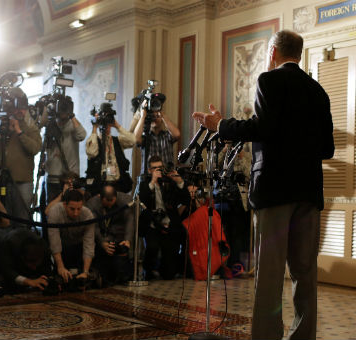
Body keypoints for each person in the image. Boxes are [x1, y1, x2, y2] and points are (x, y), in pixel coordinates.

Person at [193, 30, 334, 339]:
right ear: (299, 52)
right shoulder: (318, 91)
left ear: (272, 52)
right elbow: (328, 150)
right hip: (309, 192)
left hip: (274, 191)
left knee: (269, 276)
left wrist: (220, 125)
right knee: (305, 273)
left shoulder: (269, 81)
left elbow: (262, 128)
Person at [0, 87, 42, 232]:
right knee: (1, 219)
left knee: (22, 220)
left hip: (22, 181)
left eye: (24, 109)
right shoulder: (0, 124)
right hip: (1, 179)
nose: (22, 112)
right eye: (18, 109)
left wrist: (19, 132)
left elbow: (35, 149)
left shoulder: (30, 127)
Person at [139, 155, 190, 280]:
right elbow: (143, 199)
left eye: (160, 168)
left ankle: (165, 269)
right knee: (152, 247)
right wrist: (153, 182)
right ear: (149, 170)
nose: (158, 171)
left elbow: (186, 199)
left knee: (169, 273)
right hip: (152, 225)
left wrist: (179, 182)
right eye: (155, 168)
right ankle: (148, 270)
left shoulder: (169, 183)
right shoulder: (145, 184)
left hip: (169, 225)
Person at [40, 95, 87, 205]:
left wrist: (71, 115)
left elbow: (82, 135)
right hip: (52, 176)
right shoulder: (50, 125)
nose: (63, 111)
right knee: (51, 208)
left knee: (70, 206)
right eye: (61, 107)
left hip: (70, 177)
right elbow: (43, 145)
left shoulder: (73, 125)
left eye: (66, 107)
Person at [86, 184, 134, 286]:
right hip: (100, 236)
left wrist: (127, 240)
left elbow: (130, 220)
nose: (110, 206)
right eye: (106, 204)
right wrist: (102, 242)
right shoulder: (92, 204)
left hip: (118, 234)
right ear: (100, 197)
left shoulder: (126, 200)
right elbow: (94, 226)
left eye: (112, 202)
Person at [46, 189, 95, 285]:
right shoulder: (54, 212)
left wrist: (85, 272)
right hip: (62, 246)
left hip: (79, 246)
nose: (76, 213)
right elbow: (54, 242)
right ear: (64, 205)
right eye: (72, 209)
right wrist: (60, 267)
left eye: (79, 209)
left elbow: (89, 244)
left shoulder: (88, 214)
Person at [0, 228, 55, 294]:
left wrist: (50, 282)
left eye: (36, 263)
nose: (34, 267)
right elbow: (7, 271)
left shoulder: (44, 248)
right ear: (22, 257)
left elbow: (47, 270)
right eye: (31, 263)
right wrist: (29, 281)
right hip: (5, 268)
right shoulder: (9, 245)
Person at [85, 111, 135, 195]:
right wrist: (94, 128)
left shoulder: (117, 140)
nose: (106, 126)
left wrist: (117, 125)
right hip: (99, 187)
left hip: (117, 185)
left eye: (108, 123)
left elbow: (132, 141)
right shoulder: (94, 141)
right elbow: (92, 152)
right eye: (104, 123)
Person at [133, 97, 180, 173]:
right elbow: (135, 138)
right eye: (152, 116)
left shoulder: (167, 136)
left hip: (167, 176)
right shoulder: (145, 137)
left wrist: (162, 114)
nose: (154, 118)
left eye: (157, 116)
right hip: (149, 177)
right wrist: (143, 117)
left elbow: (177, 134)